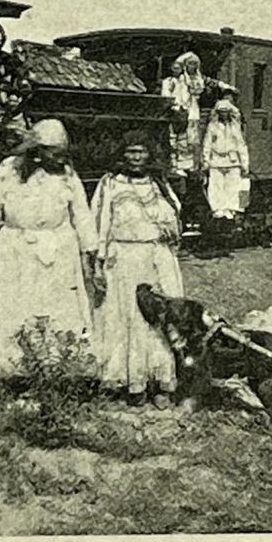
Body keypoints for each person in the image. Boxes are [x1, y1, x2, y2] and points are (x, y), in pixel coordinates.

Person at [0, 119, 98, 378]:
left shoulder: (66, 173)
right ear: (37, 150)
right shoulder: (9, 169)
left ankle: (63, 369)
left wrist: (89, 249)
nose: (59, 159)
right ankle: (16, 370)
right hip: (17, 250)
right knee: (18, 308)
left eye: (63, 154)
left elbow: (81, 212)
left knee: (59, 307)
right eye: (54, 153)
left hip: (59, 249)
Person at [91, 130, 184, 407]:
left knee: (154, 321)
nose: (135, 157)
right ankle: (126, 384)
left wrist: (169, 231)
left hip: (154, 259)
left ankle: (158, 383)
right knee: (121, 320)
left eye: (140, 151)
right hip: (122, 260)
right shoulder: (110, 184)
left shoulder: (159, 184)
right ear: (122, 154)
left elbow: (175, 216)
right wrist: (98, 262)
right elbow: (100, 223)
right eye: (130, 151)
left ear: (149, 155)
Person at [202, 99, 250, 220]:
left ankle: (232, 210)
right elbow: (207, 144)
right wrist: (206, 160)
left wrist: (245, 163)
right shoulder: (212, 126)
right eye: (221, 111)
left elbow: (241, 145)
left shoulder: (235, 126)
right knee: (215, 187)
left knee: (233, 186)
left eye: (226, 111)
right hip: (216, 160)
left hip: (232, 160)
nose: (223, 114)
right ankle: (218, 210)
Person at [160, 59, 191, 175]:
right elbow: (166, 96)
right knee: (172, 139)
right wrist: (173, 105)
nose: (176, 70)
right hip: (173, 111)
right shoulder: (168, 82)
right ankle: (173, 165)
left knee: (183, 140)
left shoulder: (186, 81)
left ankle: (183, 165)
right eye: (174, 68)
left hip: (184, 111)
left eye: (178, 68)